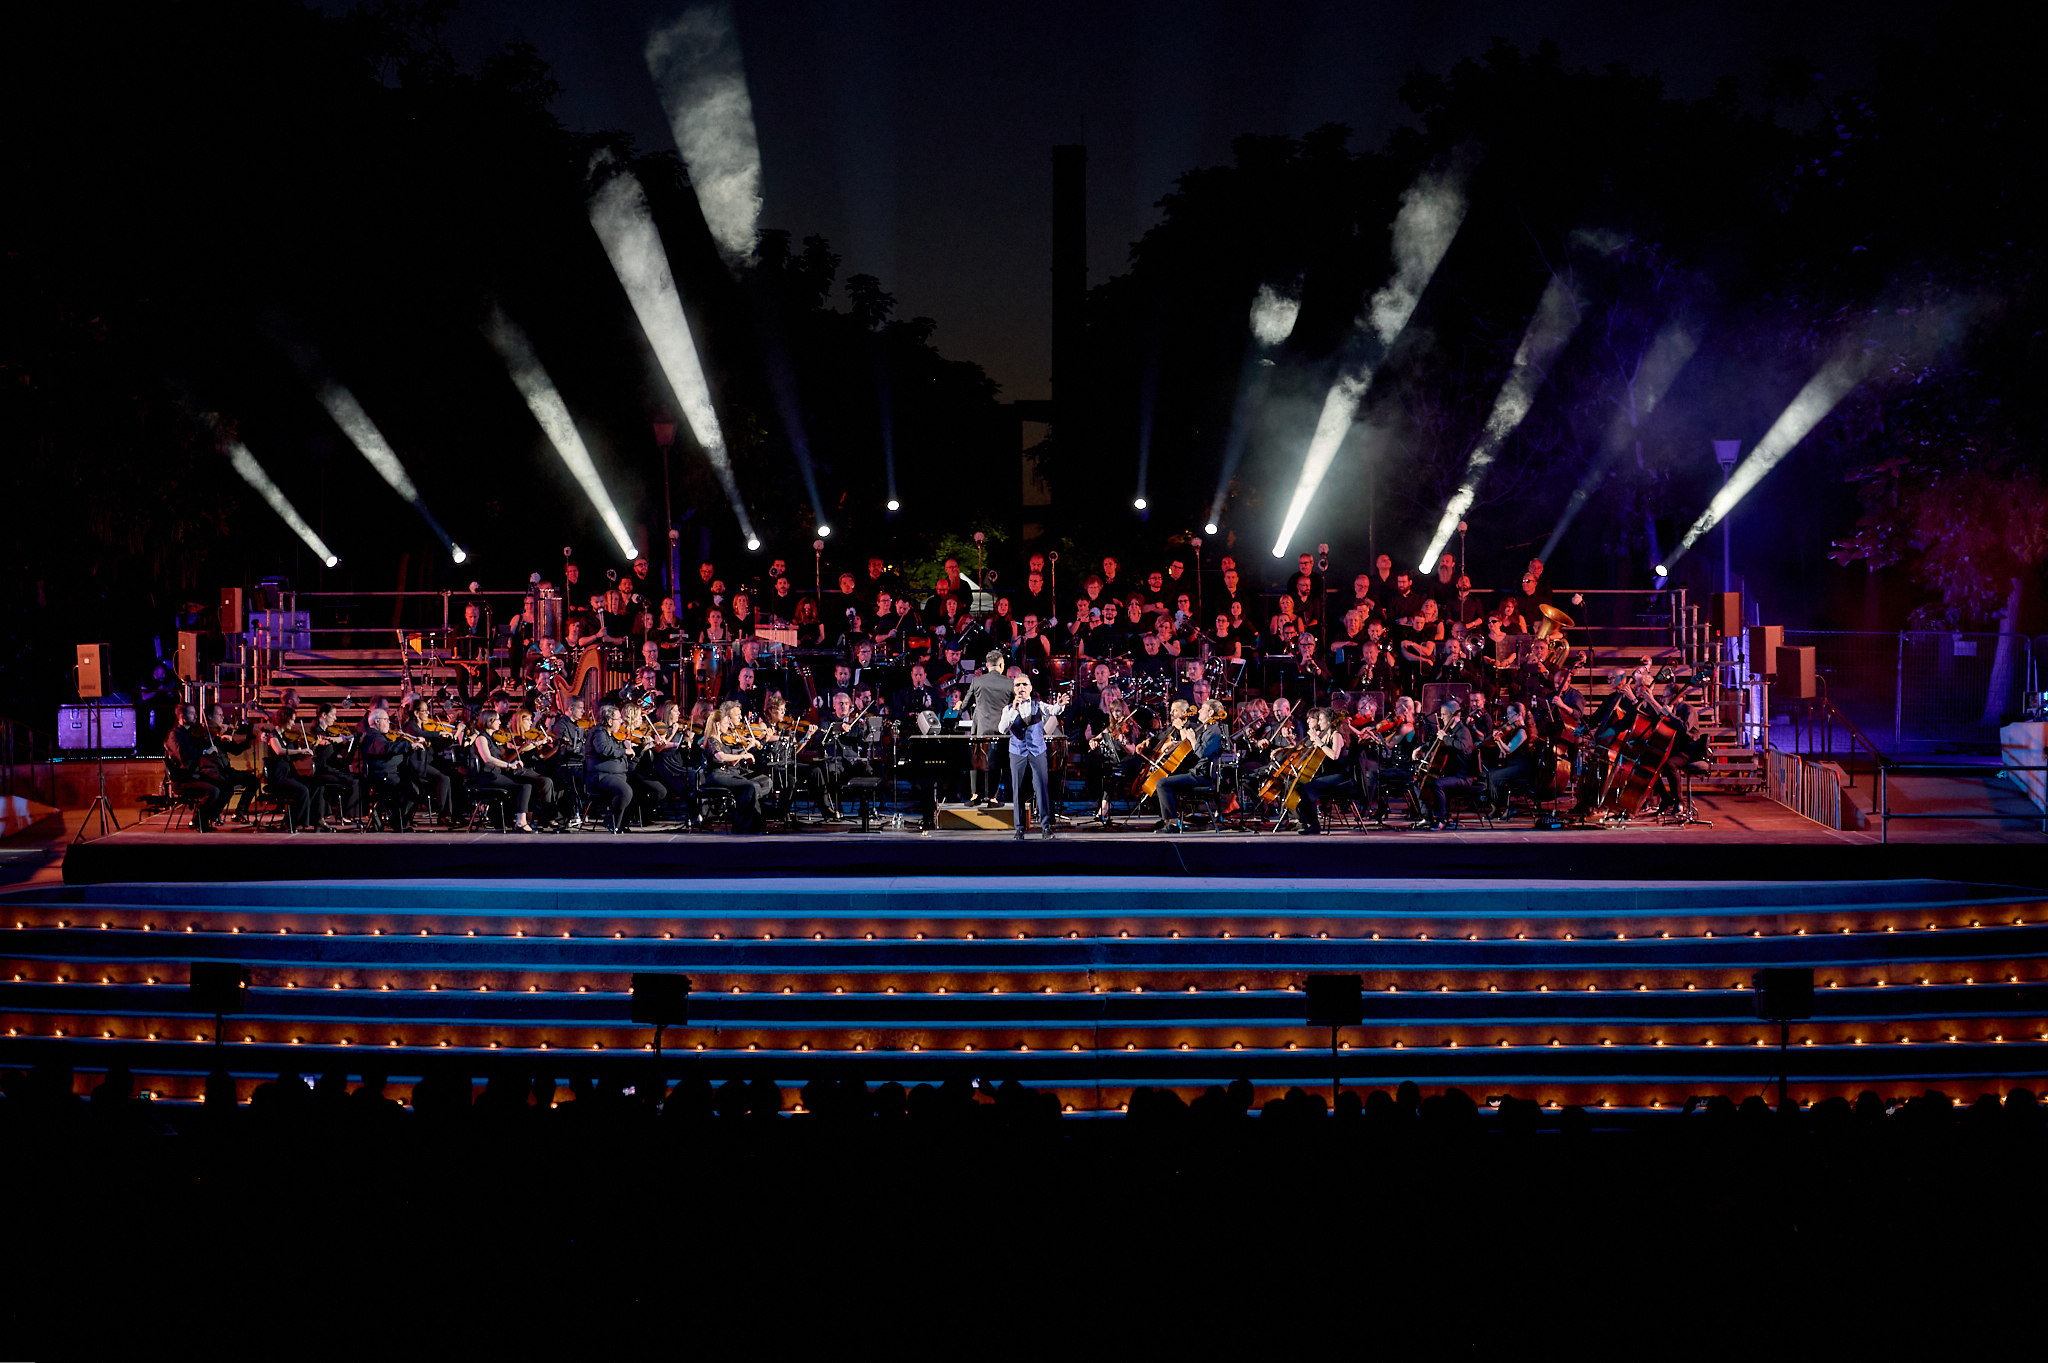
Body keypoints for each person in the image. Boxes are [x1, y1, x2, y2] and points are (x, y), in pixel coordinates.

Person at [999, 675, 1067, 840]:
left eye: (1024, 684)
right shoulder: (1008, 709)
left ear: (1030, 688)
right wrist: (1014, 709)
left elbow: (1053, 710)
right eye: (1017, 685)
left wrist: (1059, 705)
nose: (1021, 687)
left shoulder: (1039, 705)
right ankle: (1019, 829)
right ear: (1014, 689)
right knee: (1018, 790)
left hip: (1037, 751)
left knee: (1041, 788)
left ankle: (1046, 828)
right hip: (1017, 751)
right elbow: (1002, 729)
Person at [470, 710, 553, 832]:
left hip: (496, 774)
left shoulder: (494, 738)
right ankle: (521, 822)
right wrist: (509, 765)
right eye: (497, 720)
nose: (500, 722)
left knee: (528, 784)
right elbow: (487, 759)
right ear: (490, 721)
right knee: (524, 786)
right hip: (487, 776)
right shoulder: (481, 738)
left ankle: (521, 820)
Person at [1152, 698, 1226, 833]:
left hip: (1201, 776)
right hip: (1195, 772)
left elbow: (1201, 753)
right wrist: (1175, 744)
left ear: (1210, 713)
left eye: (1202, 709)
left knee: (1162, 783)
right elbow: (1192, 749)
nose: (1199, 711)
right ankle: (1167, 820)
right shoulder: (1207, 729)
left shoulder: (1214, 732)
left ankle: (1172, 823)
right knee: (1163, 778)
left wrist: (1192, 738)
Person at [703, 700, 773, 833]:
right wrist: (742, 756)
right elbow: (721, 757)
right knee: (751, 786)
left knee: (755, 786)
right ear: (717, 724)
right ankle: (743, 825)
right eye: (726, 723)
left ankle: (749, 824)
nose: (728, 725)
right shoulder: (712, 739)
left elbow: (731, 760)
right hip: (717, 775)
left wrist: (749, 746)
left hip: (726, 774)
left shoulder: (722, 738)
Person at [1418, 698, 1480, 829]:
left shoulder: (1463, 730)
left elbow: (1463, 747)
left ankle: (1441, 820)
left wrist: (1445, 738)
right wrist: (1421, 748)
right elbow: (1435, 742)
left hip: (1463, 776)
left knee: (1438, 784)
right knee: (1422, 780)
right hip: (1452, 774)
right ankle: (1428, 817)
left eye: (1444, 714)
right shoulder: (1450, 730)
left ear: (1453, 715)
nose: (1441, 717)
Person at [165, 703, 228, 832]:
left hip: (195, 775)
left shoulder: (190, 733)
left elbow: (201, 744)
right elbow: (183, 756)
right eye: (192, 713)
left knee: (226, 787)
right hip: (183, 779)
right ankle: (197, 820)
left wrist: (217, 739)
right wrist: (204, 752)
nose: (196, 716)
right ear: (182, 716)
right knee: (213, 790)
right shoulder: (174, 735)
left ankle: (207, 817)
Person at [1293, 707, 1354, 835]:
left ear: (1329, 721)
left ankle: (1314, 825)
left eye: (1321, 719)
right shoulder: (1323, 735)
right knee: (1300, 784)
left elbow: (1334, 755)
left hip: (1339, 776)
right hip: (1327, 774)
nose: (1319, 722)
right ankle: (1305, 821)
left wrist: (1320, 743)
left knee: (1308, 788)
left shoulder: (1336, 735)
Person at [964, 649, 1014, 807]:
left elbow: (964, 705)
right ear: (1001, 665)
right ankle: (992, 798)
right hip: (1000, 729)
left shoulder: (977, 681)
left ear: (986, 665)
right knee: (996, 762)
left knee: (977, 760)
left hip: (980, 729)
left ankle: (975, 796)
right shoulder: (1009, 683)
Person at [584, 703, 640, 833]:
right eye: (618, 718)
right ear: (609, 721)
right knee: (625, 791)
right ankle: (611, 821)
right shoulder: (599, 733)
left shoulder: (611, 735)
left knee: (637, 788)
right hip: (600, 777)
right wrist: (624, 751)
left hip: (614, 775)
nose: (621, 721)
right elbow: (603, 750)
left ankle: (622, 823)